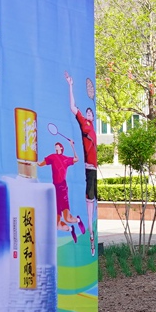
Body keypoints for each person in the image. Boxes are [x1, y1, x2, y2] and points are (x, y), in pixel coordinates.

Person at [66, 72, 99, 255]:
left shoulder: (94, 129)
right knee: (89, 200)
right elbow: (72, 107)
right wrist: (70, 85)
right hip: (88, 168)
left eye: (90, 112)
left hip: (95, 168)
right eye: (87, 112)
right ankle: (90, 235)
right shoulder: (84, 124)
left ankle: (92, 233)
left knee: (94, 201)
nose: (88, 113)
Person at [41, 140, 85, 241]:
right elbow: (42, 163)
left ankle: (78, 220)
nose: (56, 147)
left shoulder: (65, 159)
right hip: (54, 189)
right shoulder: (52, 157)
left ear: (61, 148)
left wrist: (72, 146)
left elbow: (76, 159)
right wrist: (37, 163)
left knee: (67, 218)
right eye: (55, 146)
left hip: (62, 188)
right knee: (57, 225)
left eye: (57, 146)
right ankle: (71, 229)